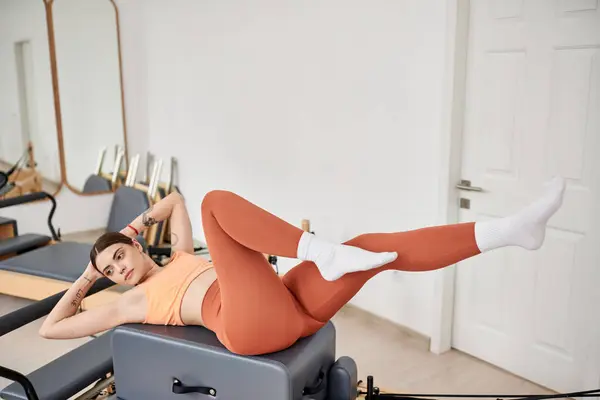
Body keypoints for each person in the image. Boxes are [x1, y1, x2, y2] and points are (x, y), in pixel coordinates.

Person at [39, 177, 566, 356]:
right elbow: (51, 328)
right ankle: (318, 249)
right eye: (109, 270)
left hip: (286, 304)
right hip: (245, 324)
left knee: (373, 247)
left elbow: (175, 198)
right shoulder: (126, 304)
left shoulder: (176, 254)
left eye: (118, 257)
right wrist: (88, 277)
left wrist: (129, 228)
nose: (118, 269)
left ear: (136, 247)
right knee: (217, 204)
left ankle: (508, 231)